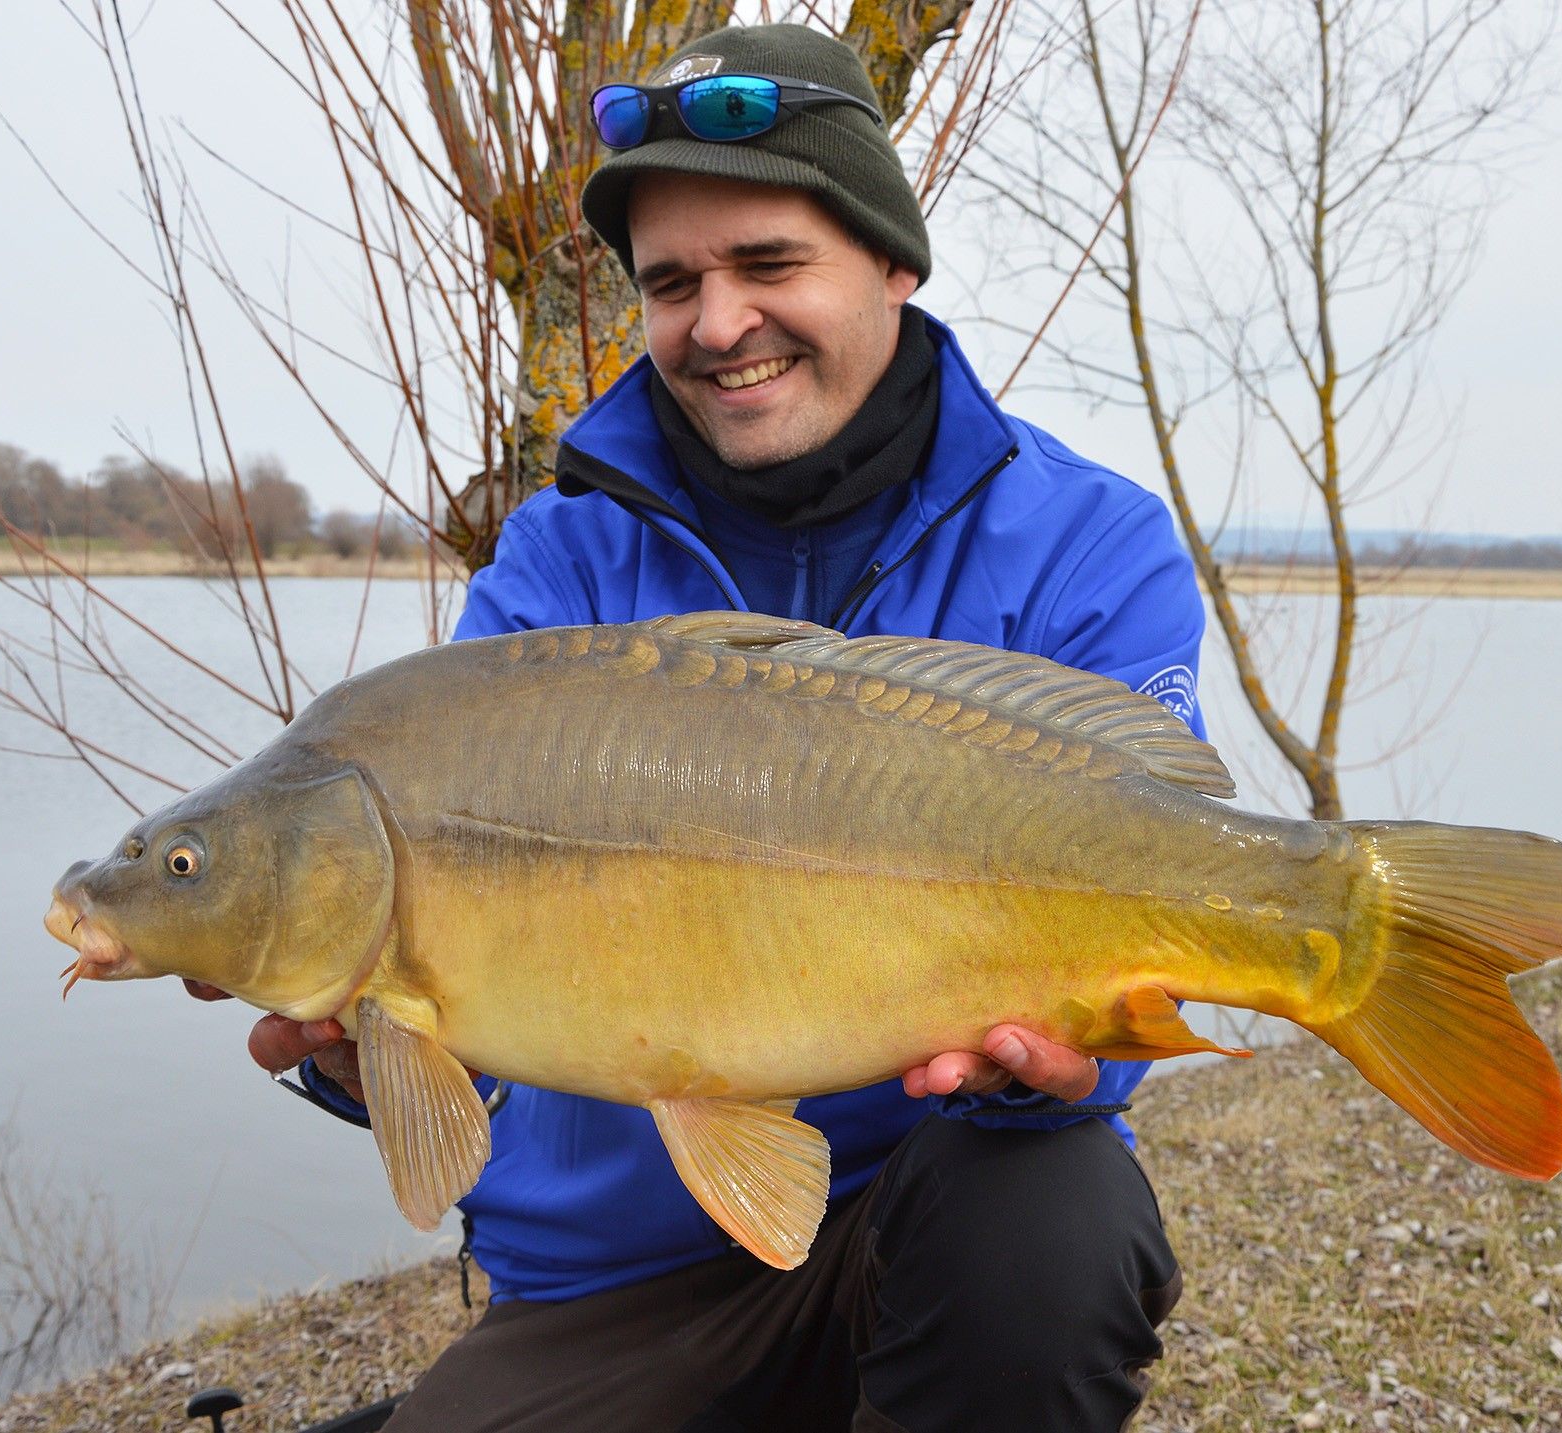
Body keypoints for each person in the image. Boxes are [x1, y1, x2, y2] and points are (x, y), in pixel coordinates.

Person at [208, 23, 1210, 1432]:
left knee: (1052, 1213)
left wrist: (1080, 1061)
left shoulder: (1087, 544)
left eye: (768, 264)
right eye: (672, 283)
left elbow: (1147, 923)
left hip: (932, 1216)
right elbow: (484, 1029)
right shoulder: (556, 565)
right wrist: (366, 1053)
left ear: (892, 262)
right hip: (609, 1289)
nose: (718, 322)